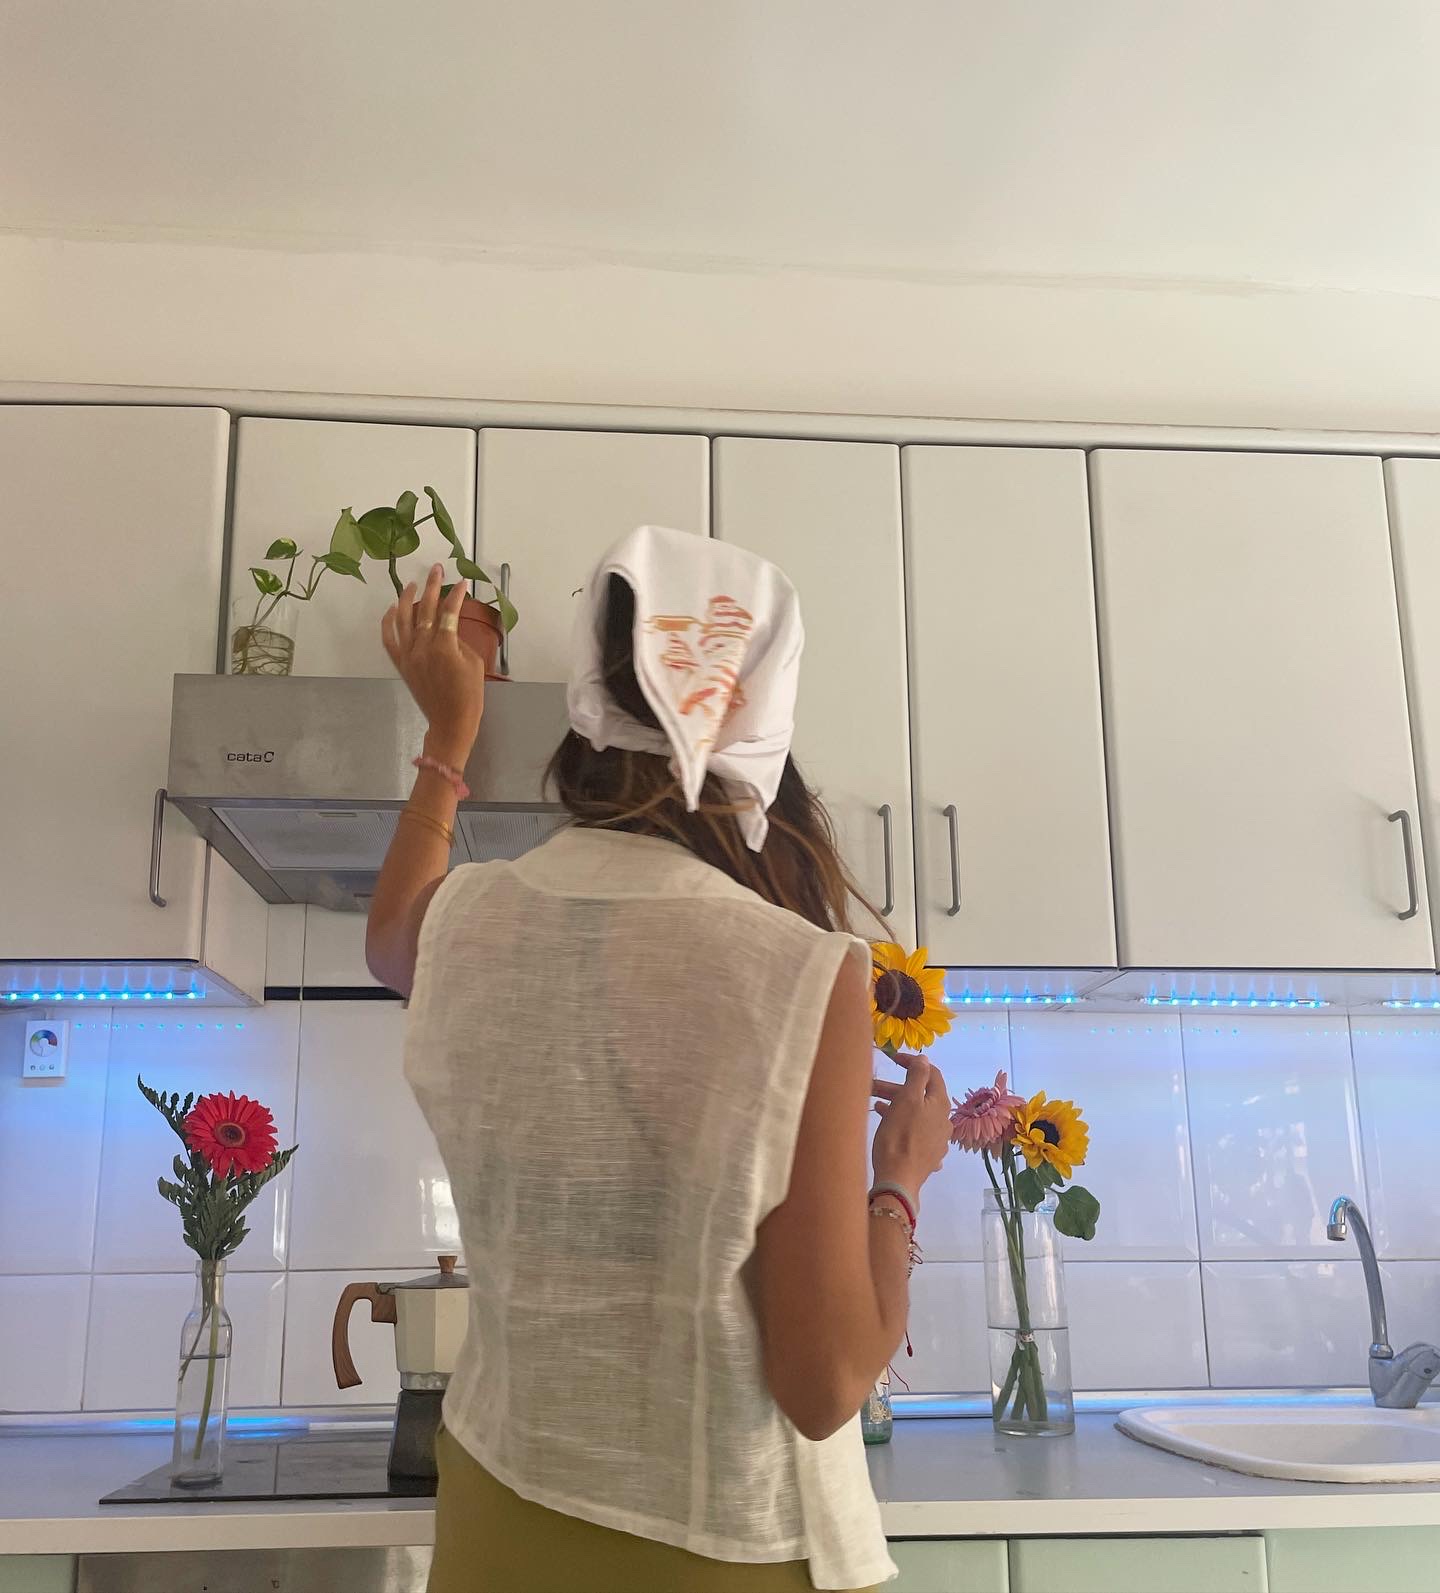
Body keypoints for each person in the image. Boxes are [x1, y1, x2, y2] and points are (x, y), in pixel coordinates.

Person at [367, 528, 953, 1593]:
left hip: (493, 1519)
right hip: (715, 1549)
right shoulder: (804, 972)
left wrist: (451, 731)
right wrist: (899, 1181)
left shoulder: (463, 922)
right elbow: (825, 1383)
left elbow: (388, 932)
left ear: (585, 711)